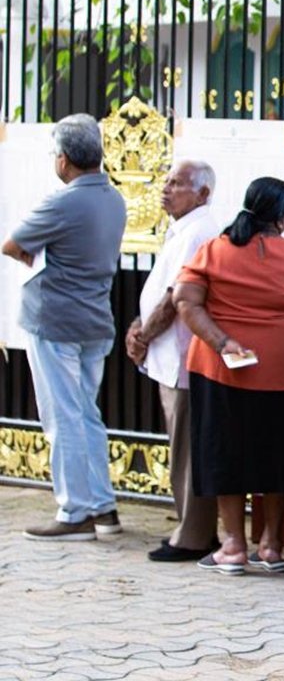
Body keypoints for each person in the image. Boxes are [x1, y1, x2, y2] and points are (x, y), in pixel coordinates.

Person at [174, 177, 284, 576]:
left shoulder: (214, 250)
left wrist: (223, 342)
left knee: (224, 451)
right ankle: (271, 545)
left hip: (221, 369)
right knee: (277, 454)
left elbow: (184, 300)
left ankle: (233, 546)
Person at [3, 114, 126, 541]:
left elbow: (13, 244)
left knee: (63, 417)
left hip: (55, 319)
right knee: (85, 414)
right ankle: (102, 504)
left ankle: (75, 512)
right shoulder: (114, 198)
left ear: (64, 160)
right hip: (95, 319)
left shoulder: (63, 201)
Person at [125, 160, 222, 561]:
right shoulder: (183, 227)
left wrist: (144, 334)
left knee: (188, 447)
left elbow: (175, 296)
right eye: (166, 182)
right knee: (182, 443)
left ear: (202, 193)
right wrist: (139, 325)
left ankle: (194, 534)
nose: (166, 189)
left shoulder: (199, 228)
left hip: (183, 355)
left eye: (177, 184)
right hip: (169, 353)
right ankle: (190, 527)